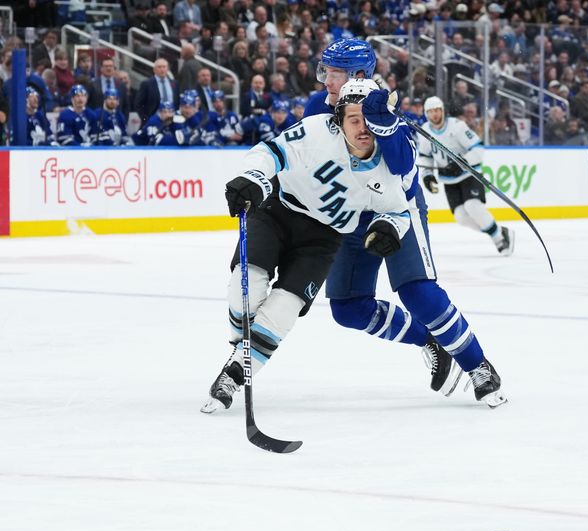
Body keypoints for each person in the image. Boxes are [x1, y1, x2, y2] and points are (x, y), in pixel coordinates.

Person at [304, 39, 507, 408]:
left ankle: (478, 366)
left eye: (333, 74)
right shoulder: (318, 108)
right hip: (353, 213)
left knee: (417, 292)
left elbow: (401, 168)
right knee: (347, 307)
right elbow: (303, 160)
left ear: (359, 76)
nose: (326, 82)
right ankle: (428, 341)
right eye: (325, 72)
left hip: (397, 209)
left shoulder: (385, 109)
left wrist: (384, 124)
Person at [201, 78, 411, 412]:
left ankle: (233, 375)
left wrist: (387, 228)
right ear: (338, 119)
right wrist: (253, 178)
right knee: (247, 290)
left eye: (367, 120)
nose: (361, 128)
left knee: (282, 310)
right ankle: (239, 350)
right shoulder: (316, 131)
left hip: (322, 238)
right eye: (353, 119)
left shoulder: (384, 168)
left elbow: (398, 211)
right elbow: (271, 152)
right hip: (276, 213)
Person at [417, 96, 514, 256]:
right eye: (431, 112)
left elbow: (478, 149)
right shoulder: (425, 131)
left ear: (442, 110)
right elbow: (425, 155)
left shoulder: (457, 126)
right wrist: (427, 175)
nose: (434, 115)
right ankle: (499, 230)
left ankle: (500, 241)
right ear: (427, 114)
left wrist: (461, 162)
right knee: (461, 217)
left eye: (437, 110)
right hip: (448, 180)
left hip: (469, 174)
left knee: (473, 206)